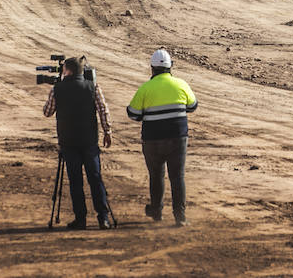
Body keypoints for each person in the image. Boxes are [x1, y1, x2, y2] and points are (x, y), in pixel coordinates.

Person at [127, 48, 198, 226]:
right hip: (177, 138)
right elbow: (192, 106)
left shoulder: (145, 88)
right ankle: (180, 216)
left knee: (156, 175)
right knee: (177, 176)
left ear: (152, 69)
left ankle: (157, 211)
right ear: (170, 67)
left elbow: (133, 114)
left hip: (153, 139)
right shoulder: (181, 84)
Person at [42, 56, 114, 229]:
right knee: (95, 178)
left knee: (75, 181)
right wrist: (107, 131)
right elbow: (103, 110)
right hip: (89, 140)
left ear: (68, 70)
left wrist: (58, 86)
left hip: (68, 142)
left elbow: (47, 112)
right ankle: (103, 217)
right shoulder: (93, 87)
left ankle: (80, 219)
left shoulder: (58, 89)